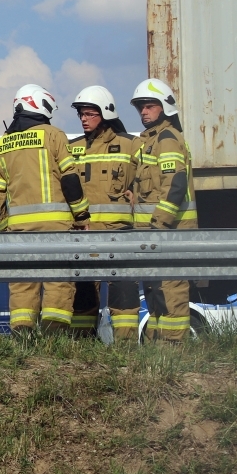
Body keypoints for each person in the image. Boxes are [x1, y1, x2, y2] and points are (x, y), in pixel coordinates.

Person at [0, 84, 91, 336]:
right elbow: (70, 179)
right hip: (56, 226)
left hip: (19, 231)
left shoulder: (2, 144)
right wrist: (81, 216)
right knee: (58, 280)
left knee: (23, 282)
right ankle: (54, 338)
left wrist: (3, 227)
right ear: (40, 105)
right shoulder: (54, 135)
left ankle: (23, 335)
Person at [67, 86, 141, 341]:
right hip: (84, 235)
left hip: (119, 234)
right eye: (81, 115)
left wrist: (136, 194)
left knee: (123, 293)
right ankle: (80, 351)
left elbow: (148, 181)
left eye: (89, 114)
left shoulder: (131, 145)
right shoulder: (71, 148)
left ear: (106, 113)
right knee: (83, 295)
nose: (84, 119)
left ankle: (126, 348)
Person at [131, 78, 196, 342]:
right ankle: (158, 352)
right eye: (141, 108)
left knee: (171, 292)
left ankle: (173, 351)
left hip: (169, 232)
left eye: (150, 106)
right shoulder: (150, 141)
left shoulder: (167, 139)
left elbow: (175, 185)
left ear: (165, 107)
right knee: (155, 292)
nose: (144, 112)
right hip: (153, 235)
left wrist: (160, 223)